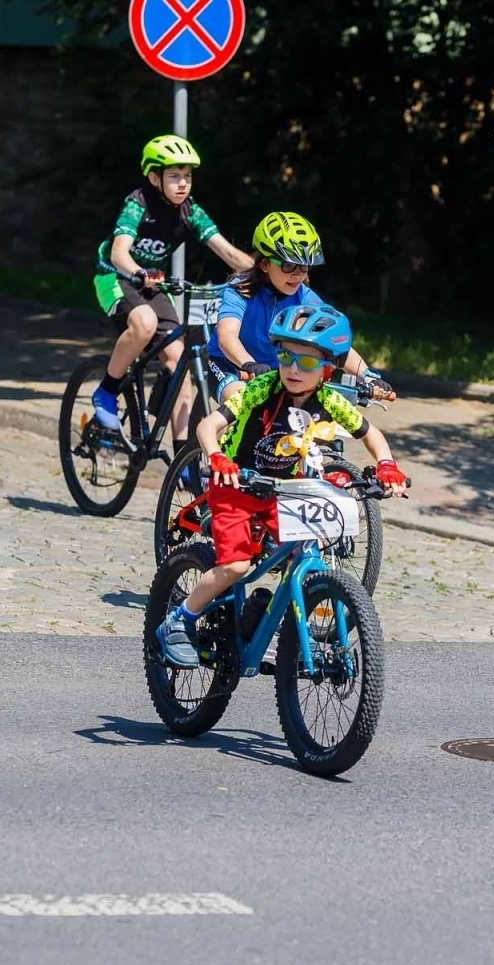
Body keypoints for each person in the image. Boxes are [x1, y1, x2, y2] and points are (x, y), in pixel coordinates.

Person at [155, 303, 409, 667]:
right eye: (286, 357)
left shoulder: (331, 401)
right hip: (237, 486)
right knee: (237, 566)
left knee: (309, 549)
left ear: (326, 369)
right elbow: (207, 427)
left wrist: (387, 466)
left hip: (286, 491)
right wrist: (217, 458)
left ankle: (264, 618)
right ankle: (180, 620)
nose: (292, 369)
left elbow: (373, 435)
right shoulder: (261, 388)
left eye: (305, 363)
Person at [89, 134, 253, 440]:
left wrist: (262, 274)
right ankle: (107, 391)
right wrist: (137, 271)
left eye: (187, 177)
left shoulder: (190, 211)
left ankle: (183, 461)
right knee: (144, 323)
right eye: (174, 176)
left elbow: (227, 252)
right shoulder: (137, 203)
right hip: (115, 276)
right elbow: (119, 251)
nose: (182, 184)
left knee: (180, 365)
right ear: (155, 177)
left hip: (151, 283)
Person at [206, 211, 395, 404]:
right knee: (243, 403)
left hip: (279, 369)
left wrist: (367, 376)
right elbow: (227, 336)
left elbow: (335, 342)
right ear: (264, 264)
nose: (298, 275)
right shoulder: (240, 290)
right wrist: (249, 364)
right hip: (230, 365)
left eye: (304, 267)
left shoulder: (304, 296)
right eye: (288, 266)